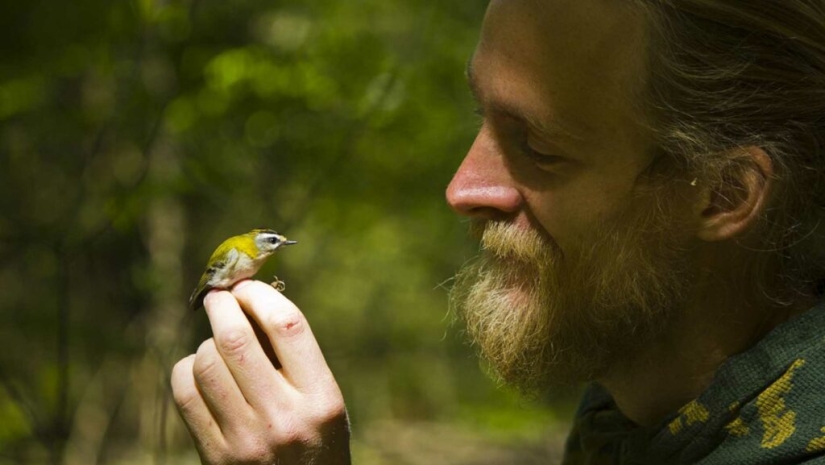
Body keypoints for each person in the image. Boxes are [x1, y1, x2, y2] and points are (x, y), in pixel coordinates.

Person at [171, 0, 825, 463]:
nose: (461, 189)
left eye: (536, 145)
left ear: (725, 194)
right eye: (480, 116)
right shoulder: (626, 423)